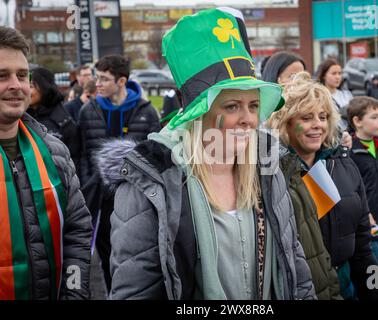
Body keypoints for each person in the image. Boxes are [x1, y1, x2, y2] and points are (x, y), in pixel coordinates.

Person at [100, 8, 316, 300]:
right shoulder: (152, 183)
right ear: (199, 116)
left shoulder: (267, 168)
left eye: (253, 106)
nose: (248, 119)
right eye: (231, 106)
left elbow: (294, 267)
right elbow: (135, 291)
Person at [268, 72, 378, 300]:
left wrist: (376, 291)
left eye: (322, 117)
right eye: (306, 118)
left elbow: (364, 249)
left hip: (346, 286)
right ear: (286, 122)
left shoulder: (345, 166)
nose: (317, 125)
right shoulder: (272, 176)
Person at [0, 26, 92, 300]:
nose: (16, 85)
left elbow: (77, 232)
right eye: (2, 76)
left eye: (22, 75)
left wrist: (74, 294)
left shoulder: (54, 152)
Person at [78, 54, 161, 292]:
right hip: (101, 198)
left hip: (135, 197)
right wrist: (88, 183)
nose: (98, 83)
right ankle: (112, 292)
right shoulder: (88, 110)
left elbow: (153, 154)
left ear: (122, 81)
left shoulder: (146, 111)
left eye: (104, 79)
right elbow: (83, 154)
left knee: (136, 253)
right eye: (97, 78)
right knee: (106, 254)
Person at [347, 96, 378, 274]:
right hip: (365, 225)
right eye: (374, 117)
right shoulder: (351, 151)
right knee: (374, 269)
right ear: (357, 121)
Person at [27, 67, 80, 171]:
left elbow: (74, 158)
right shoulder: (20, 116)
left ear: (44, 87)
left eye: (31, 86)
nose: (26, 91)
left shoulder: (63, 120)